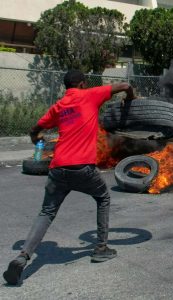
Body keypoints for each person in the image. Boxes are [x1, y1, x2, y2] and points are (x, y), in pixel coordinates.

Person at [3, 70, 135, 285]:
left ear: (67, 86)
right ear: (82, 83)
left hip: (57, 169)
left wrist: (37, 139)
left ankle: (22, 257)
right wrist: (131, 100)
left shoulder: (59, 106)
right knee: (103, 198)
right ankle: (101, 248)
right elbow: (124, 85)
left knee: (46, 212)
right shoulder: (90, 94)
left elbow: (35, 129)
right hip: (82, 167)